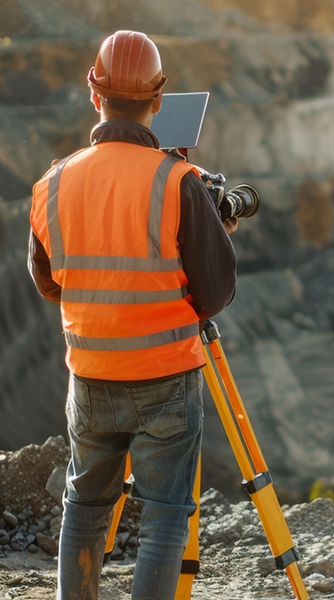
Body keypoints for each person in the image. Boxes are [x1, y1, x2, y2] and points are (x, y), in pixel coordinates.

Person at [28, 30, 237, 600]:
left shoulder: (51, 182)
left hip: (90, 377)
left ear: (95, 96)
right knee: (166, 516)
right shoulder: (178, 181)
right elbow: (215, 293)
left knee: (86, 506)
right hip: (166, 379)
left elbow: (48, 281)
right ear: (157, 100)